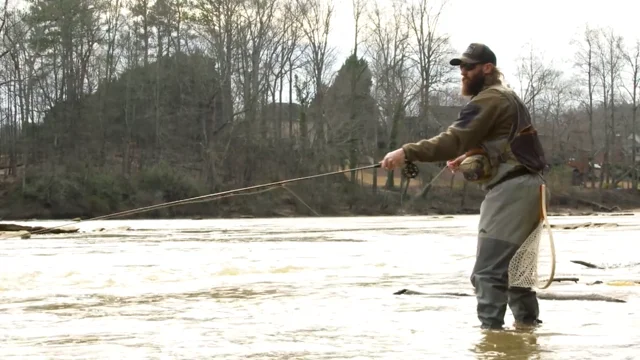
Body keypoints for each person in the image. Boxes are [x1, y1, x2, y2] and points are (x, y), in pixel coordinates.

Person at [380, 43, 548, 330]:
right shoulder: (507, 98)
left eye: (469, 67)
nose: (463, 72)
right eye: (461, 67)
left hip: (512, 191)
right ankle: (526, 336)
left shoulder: (490, 99)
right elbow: (504, 143)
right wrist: (471, 154)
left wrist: (406, 151)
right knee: (517, 274)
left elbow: (453, 138)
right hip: (529, 187)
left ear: (487, 68)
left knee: (487, 274)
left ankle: (491, 340)